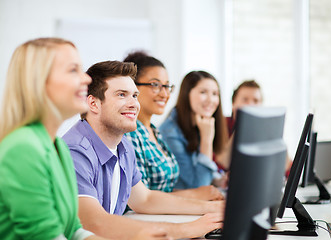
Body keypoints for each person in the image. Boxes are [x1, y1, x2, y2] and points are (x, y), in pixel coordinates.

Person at [62, 60, 224, 240]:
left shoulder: (123, 146)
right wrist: (186, 230)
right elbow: (94, 223)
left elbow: (145, 199)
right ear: (93, 104)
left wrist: (213, 209)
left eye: (135, 95)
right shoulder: (74, 151)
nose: (133, 104)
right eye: (122, 95)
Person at [0, 38, 108, 240]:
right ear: (38, 81)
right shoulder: (22, 148)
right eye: (73, 70)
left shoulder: (58, 145)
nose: (86, 79)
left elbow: (73, 229)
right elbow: (45, 235)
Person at [123, 51, 224, 201]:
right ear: (132, 87)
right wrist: (197, 195)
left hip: (168, 214)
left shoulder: (154, 132)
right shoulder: (131, 134)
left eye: (167, 86)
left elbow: (168, 189)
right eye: (155, 85)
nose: (165, 94)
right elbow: (141, 200)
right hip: (149, 219)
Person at [159, 71, 229, 190]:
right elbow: (199, 186)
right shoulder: (170, 133)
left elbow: (201, 173)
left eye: (215, 94)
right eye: (203, 92)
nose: (211, 100)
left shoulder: (199, 122)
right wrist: (206, 140)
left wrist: (219, 180)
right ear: (187, 94)